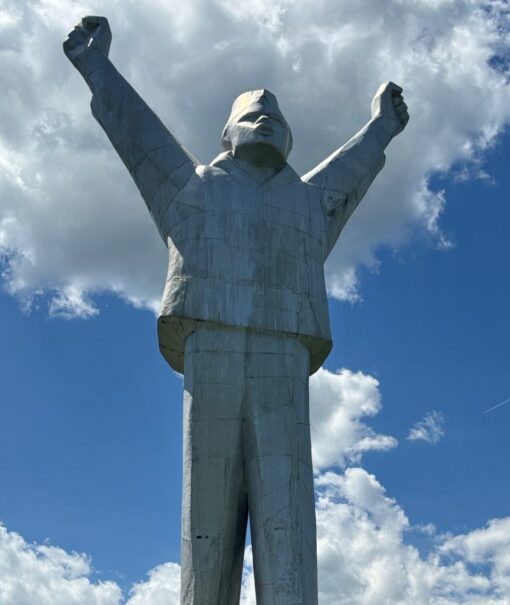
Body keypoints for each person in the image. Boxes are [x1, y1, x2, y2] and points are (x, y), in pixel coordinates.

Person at [64, 16, 408, 604]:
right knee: (208, 521)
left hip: (284, 345)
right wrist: (96, 65)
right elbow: (139, 135)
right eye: (250, 117)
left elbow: (353, 165)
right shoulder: (193, 187)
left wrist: (381, 126)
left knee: (289, 515)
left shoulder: (307, 202)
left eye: (275, 119)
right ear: (226, 136)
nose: (265, 121)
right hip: (212, 344)